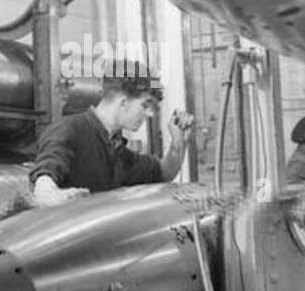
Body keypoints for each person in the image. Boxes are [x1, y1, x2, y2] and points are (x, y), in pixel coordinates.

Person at [30, 60, 195, 207]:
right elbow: (45, 173)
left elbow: (163, 173)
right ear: (123, 102)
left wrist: (178, 144)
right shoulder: (69, 130)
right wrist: (48, 193)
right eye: (145, 105)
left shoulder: (118, 152)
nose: (150, 114)